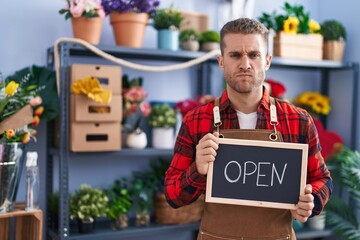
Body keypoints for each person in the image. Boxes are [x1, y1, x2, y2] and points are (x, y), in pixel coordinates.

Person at [164, 18, 333, 240]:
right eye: (235, 55)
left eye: (254, 55)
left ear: (268, 61)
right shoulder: (196, 120)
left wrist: (310, 202)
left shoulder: (298, 120)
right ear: (221, 61)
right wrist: (198, 168)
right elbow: (173, 196)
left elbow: (322, 178)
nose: (245, 64)